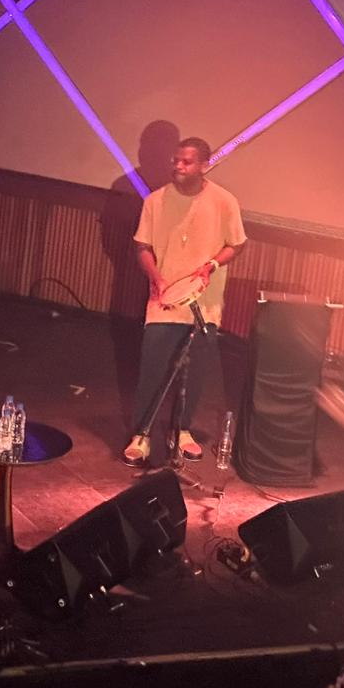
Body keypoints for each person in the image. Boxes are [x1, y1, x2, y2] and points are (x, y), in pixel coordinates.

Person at [123, 137, 246, 466]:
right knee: (152, 368)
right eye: (175, 160)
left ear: (204, 165)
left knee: (194, 371)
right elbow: (142, 247)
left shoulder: (224, 201)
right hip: (163, 301)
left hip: (204, 304)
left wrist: (212, 265)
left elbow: (237, 244)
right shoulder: (154, 201)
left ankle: (182, 430)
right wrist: (156, 278)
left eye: (186, 162)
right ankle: (142, 434)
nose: (178, 166)